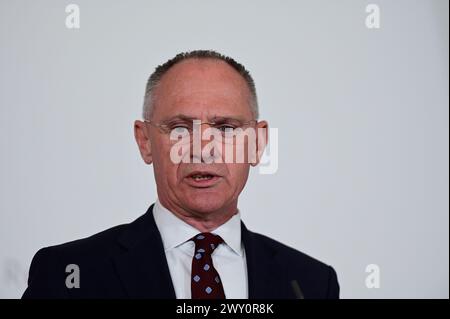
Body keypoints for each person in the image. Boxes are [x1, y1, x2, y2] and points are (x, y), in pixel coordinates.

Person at [22, 50, 339, 299]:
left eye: (226, 128)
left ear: (258, 143)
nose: (203, 148)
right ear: (145, 141)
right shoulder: (67, 274)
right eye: (179, 129)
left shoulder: (312, 283)